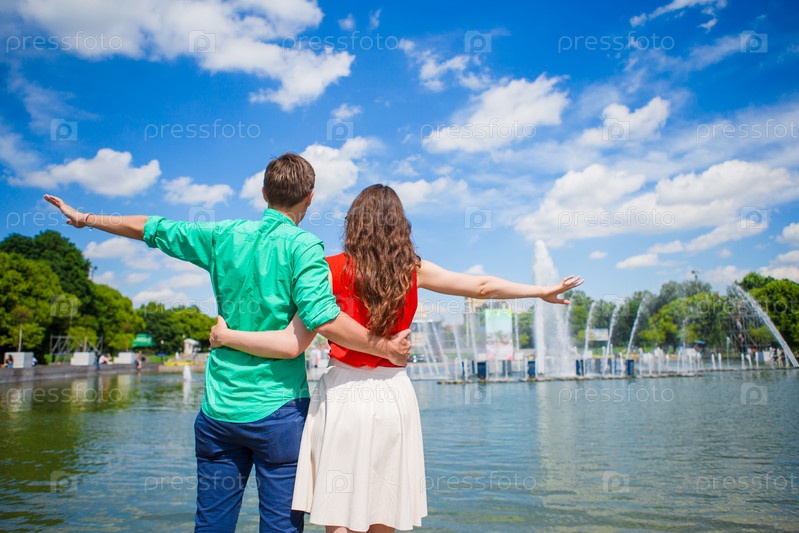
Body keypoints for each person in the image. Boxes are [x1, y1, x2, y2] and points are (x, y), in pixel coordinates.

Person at [44, 153, 411, 533]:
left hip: (219, 409)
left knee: (211, 526)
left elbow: (152, 227)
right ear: (311, 197)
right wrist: (385, 348)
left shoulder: (224, 235)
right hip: (280, 412)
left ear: (264, 192)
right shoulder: (304, 248)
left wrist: (86, 218)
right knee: (281, 528)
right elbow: (323, 318)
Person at [210, 184, 583, 533]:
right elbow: (482, 287)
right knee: (384, 507)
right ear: (400, 225)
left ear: (353, 224)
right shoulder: (412, 269)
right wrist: (540, 290)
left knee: (337, 510)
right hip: (393, 396)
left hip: (341, 395)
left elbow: (293, 340)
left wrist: (228, 336)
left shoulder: (328, 268)